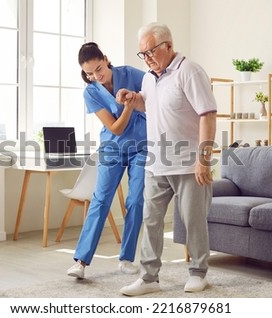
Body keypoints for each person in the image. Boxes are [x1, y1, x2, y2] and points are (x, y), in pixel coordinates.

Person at [116, 23, 217, 296]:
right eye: (142, 54)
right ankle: (149, 278)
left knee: (193, 220)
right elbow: (150, 105)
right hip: (156, 162)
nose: (147, 58)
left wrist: (204, 159)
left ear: (168, 46)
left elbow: (207, 115)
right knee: (151, 220)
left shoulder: (190, 71)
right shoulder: (149, 78)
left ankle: (199, 273)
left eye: (151, 51)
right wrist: (133, 99)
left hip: (188, 163)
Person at [67, 42, 147, 279]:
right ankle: (81, 262)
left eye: (99, 69)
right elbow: (115, 127)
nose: (96, 76)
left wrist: (136, 99)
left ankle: (126, 259)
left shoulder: (131, 74)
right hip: (112, 147)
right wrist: (129, 108)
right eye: (90, 73)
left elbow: (156, 88)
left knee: (135, 201)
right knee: (100, 200)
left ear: (106, 59)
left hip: (142, 147)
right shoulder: (91, 91)